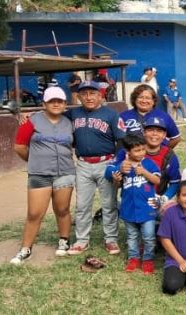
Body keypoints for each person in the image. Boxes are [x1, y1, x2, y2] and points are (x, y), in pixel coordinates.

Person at [10, 87, 76, 265]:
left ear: (64, 104)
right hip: (39, 173)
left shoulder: (69, 121)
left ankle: (64, 241)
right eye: (51, 101)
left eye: (60, 101)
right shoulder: (32, 120)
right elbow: (19, 147)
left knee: (62, 210)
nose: (56, 104)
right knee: (34, 213)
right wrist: (34, 161)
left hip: (65, 172)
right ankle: (26, 248)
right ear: (44, 103)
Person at [65, 81, 126, 256]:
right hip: (83, 164)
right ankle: (82, 240)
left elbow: (121, 141)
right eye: (84, 94)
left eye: (93, 93)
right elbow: (52, 116)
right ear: (79, 97)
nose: (88, 97)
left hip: (106, 162)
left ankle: (111, 239)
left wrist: (116, 163)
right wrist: (31, 116)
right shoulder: (72, 113)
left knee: (109, 204)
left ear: (100, 95)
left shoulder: (111, 114)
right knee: (83, 205)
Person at [105, 135, 161, 274]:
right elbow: (117, 185)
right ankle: (133, 258)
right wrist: (116, 179)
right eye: (137, 150)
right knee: (132, 236)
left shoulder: (148, 163)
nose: (141, 153)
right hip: (128, 208)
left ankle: (148, 259)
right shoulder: (124, 166)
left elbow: (157, 180)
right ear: (127, 151)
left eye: (143, 149)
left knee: (148, 236)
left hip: (147, 208)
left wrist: (144, 172)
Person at [120, 84, 181, 149]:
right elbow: (118, 140)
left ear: (153, 101)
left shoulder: (164, 116)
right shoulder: (123, 116)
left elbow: (176, 138)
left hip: (155, 157)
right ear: (134, 99)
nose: (144, 101)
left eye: (148, 98)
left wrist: (163, 152)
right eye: (140, 97)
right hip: (132, 156)